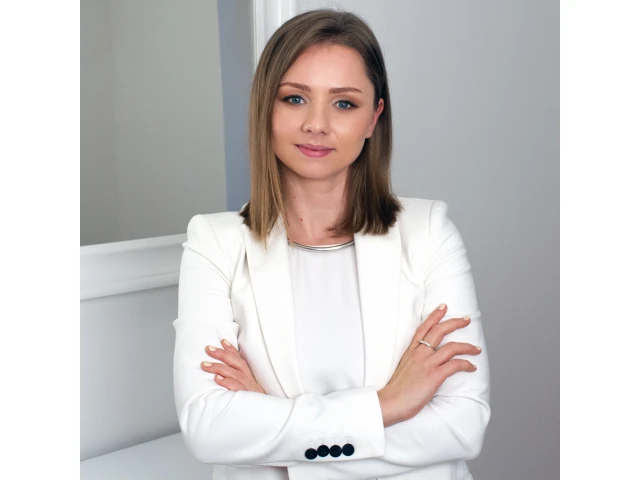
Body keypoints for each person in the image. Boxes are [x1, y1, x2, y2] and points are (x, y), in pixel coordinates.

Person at [172, 8, 490, 480]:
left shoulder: (429, 232)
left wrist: (274, 424)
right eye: (295, 98)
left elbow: (462, 426)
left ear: (373, 117)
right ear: (265, 108)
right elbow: (208, 429)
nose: (316, 124)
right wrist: (389, 405)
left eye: (343, 103)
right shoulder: (214, 243)